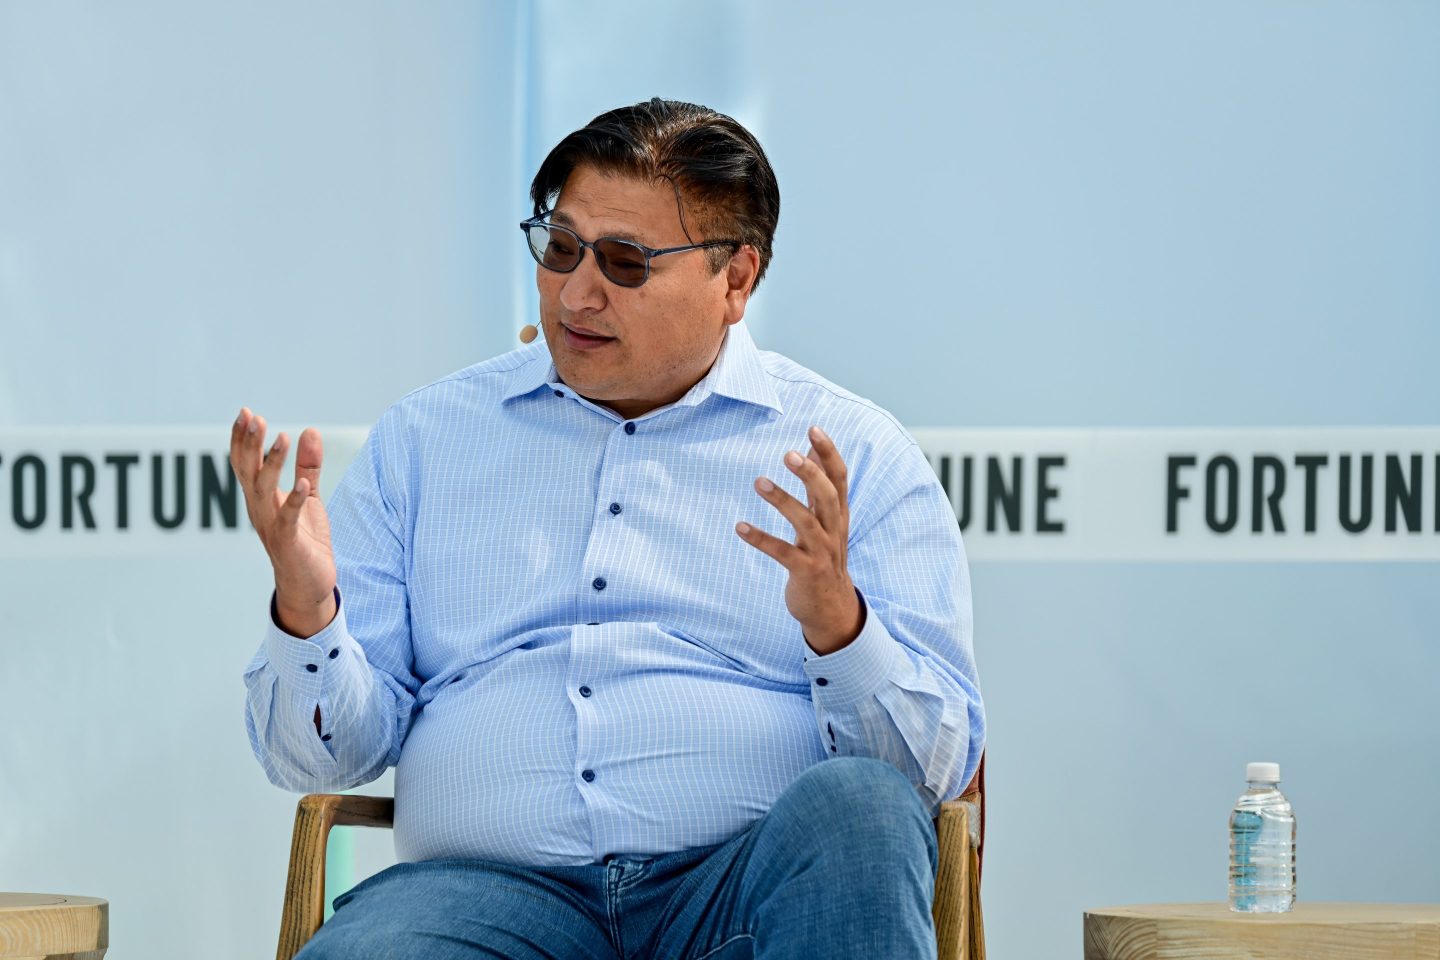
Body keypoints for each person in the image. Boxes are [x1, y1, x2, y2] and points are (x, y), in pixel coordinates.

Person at [235, 98, 983, 960]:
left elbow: (930, 774)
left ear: (736, 280)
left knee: (861, 810)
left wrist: (841, 629)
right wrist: (309, 615)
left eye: (626, 263)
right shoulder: (426, 440)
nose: (576, 293)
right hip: (485, 898)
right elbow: (317, 762)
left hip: (740, 895)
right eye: (561, 248)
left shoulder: (853, 452)